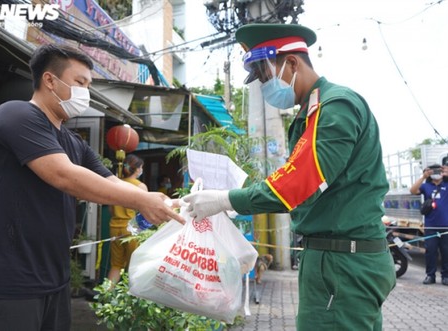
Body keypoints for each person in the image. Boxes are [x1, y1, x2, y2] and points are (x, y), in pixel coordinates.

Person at [182, 24, 396, 330]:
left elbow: (296, 184)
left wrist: (224, 199)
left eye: (267, 77)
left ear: (292, 63)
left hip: (342, 263)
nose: (266, 87)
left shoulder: (336, 107)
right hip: (335, 257)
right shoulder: (311, 112)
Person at [0, 44, 183, 331]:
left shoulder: (73, 142)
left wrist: (168, 204)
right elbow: (65, 176)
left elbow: (112, 182)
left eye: (89, 85)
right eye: (79, 83)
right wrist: (143, 203)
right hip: (6, 285)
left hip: (55, 283)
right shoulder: (16, 115)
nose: (85, 93)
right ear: (50, 80)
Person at [108, 154, 148, 283]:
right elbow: (145, 211)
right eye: (141, 167)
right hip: (132, 229)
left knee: (116, 265)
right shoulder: (140, 186)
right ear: (137, 169)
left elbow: (110, 209)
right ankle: (129, 300)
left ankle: (106, 296)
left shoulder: (116, 184)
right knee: (133, 266)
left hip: (114, 227)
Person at [410, 164, 448, 285]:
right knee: (430, 251)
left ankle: (446, 276)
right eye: (434, 171)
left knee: (446, 252)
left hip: (446, 226)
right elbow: (413, 190)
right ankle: (430, 275)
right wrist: (423, 176)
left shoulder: (446, 185)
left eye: (439, 170)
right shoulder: (426, 186)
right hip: (430, 226)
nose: (437, 173)